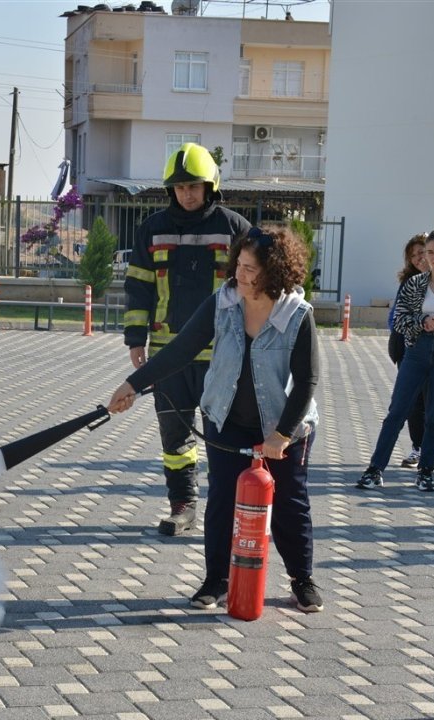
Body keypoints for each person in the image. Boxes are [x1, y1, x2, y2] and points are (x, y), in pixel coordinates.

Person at [108, 226, 323, 613]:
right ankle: (216, 581)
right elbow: (181, 350)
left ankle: (302, 580)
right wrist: (133, 385)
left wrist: (281, 434)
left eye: (250, 269)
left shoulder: (297, 314)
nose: (239, 275)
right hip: (226, 420)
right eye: (238, 265)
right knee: (223, 500)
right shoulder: (222, 302)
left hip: (284, 427)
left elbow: (307, 381)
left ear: (273, 271)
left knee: (290, 503)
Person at [123, 142, 251, 535]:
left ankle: (230, 507)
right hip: (168, 354)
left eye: (194, 186)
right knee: (174, 437)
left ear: (210, 185)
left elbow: (260, 283)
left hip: (224, 355)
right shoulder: (152, 229)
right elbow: (138, 288)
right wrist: (135, 339)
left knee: (225, 438)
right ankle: (183, 506)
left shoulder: (235, 228)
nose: (187, 194)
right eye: (179, 188)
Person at [358, 225, 434, 491]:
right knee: (397, 412)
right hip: (416, 353)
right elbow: (399, 320)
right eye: (430, 253)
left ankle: (426, 472)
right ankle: (375, 469)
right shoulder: (414, 284)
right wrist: (422, 321)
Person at [386, 233, 434, 475]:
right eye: (413, 256)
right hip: (408, 350)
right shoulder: (410, 282)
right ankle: (418, 447)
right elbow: (395, 317)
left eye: (422, 253)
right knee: (413, 404)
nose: (419, 259)